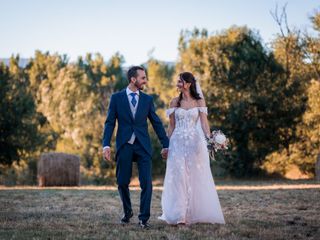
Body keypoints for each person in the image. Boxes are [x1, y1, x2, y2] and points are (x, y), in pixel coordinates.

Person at [102, 66, 169, 229]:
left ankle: (144, 218)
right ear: (133, 79)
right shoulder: (116, 98)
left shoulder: (147, 100)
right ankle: (127, 212)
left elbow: (156, 122)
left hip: (143, 146)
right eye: (143, 78)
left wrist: (166, 144)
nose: (145, 81)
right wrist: (106, 144)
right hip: (124, 145)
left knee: (146, 183)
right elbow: (110, 122)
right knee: (122, 182)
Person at [159, 72, 225, 225]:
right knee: (179, 178)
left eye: (180, 81)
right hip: (177, 144)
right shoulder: (174, 102)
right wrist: (166, 145)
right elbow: (171, 126)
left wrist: (212, 139)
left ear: (188, 84)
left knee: (196, 176)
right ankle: (180, 215)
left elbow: (204, 124)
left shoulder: (199, 101)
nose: (177, 83)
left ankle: (194, 212)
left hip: (195, 143)